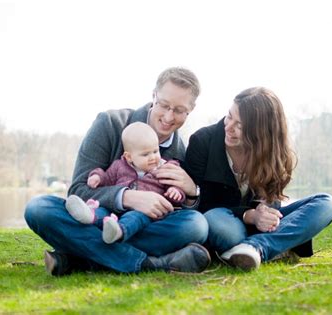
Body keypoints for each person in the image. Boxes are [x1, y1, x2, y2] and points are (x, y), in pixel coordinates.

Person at [24, 67, 210, 275]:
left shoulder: (181, 153)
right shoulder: (110, 124)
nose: (168, 116)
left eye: (178, 110)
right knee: (39, 208)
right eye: (164, 105)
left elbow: (177, 209)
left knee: (196, 225)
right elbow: (78, 190)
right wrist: (128, 197)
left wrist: (192, 192)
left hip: (141, 225)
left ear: (190, 110)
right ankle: (149, 263)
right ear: (154, 96)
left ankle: (80, 258)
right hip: (97, 215)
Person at [184, 87, 332, 271]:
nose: (229, 127)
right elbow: (201, 205)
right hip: (225, 220)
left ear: (261, 132)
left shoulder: (273, 153)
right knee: (216, 221)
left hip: (258, 227)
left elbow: (272, 200)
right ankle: (272, 246)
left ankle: (255, 247)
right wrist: (250, 216)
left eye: (240, 126)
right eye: (229, 116)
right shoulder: (202, 141)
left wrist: (266, 213)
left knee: (326, 204)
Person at [65, 122, 186, 244]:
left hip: (145, 213)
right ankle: (90, 216)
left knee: (134, 218)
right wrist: (97, 177)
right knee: (102, 211)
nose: (153, 157)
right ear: (129, 157)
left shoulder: (165, 168)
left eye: (155, 151)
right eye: (145, 154)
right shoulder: (119, 166)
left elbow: (175, 187)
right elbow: (107, 178)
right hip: (115, 209)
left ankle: (119, 231)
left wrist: (175, 191)